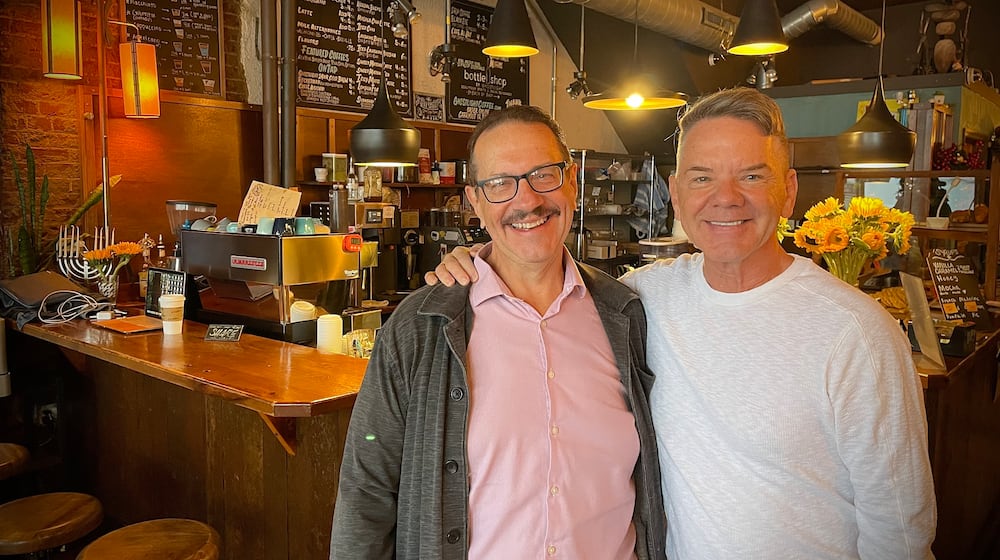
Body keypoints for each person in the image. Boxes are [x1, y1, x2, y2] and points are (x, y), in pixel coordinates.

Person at [428, 87, 937, 559]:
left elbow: (900, 531)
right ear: (675, 193)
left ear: (788, 190)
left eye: (752, 176)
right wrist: (479, 260)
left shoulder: (856, 334)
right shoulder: (643, 298)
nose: (726, 197)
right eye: (702, 177)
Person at [329, 105, 666, 560]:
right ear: (475, 202)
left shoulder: (627, 316)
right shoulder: (418, 329)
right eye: (500, 184)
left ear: (571, 181)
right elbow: (366, 490)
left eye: (543, 174)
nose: (526, 201)